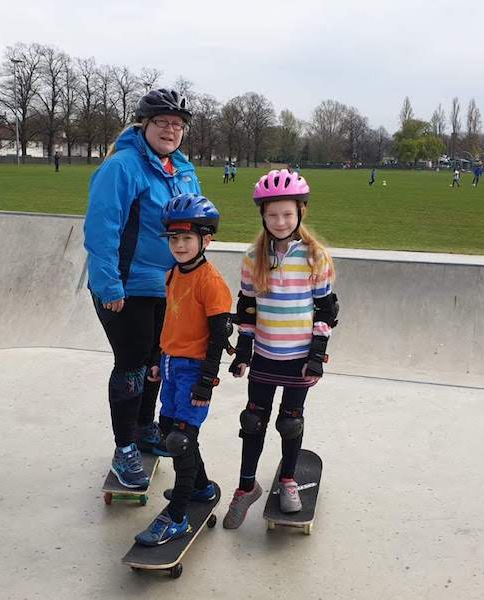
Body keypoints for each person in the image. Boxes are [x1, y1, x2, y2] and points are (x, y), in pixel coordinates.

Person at [84, 88, 200, 489]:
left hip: (168, 286)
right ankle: (124, 449)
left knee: (156, 364)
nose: (171, 130)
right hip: (126, 286)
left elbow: (193, 220)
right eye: (163, 122)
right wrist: (108, 285)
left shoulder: (182, 169)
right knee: (132, 366)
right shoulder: (123, 167)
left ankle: (145, 428)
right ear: (143, 125)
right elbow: (101, 229)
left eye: (177, 125)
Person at [222, 169, 338, 529]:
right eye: (272, 214)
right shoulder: (252, 258)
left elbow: (326, 309)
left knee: (290, 423)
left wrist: (317, 355)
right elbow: (247, 309)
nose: (280, 221)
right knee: (253, 421)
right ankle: (245, 487)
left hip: (299, 359)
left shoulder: (315, 257)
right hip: (265, 356)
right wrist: (243, 352)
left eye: (287, 213)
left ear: (301, 212)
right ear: (263, 216)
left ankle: (288, 480)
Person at [134, 193, 233, 545]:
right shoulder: (174, 273)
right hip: (172, 366)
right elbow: (171, 322)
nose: (178, 245)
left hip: (194, 372)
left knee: (180, 440)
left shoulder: (212, 283)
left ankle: (176, 517)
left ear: (206, 239)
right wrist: (158, 359)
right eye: (174, 238)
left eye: (187, 238)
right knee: (168, 432)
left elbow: (219, 335)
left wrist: (206, 381)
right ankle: (201, 488)